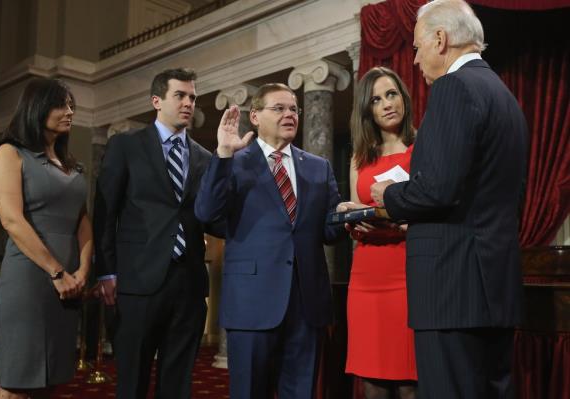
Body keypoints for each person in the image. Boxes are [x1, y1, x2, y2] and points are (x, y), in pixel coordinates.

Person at [369, 1, 528, 398]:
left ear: (440, 39)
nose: (417, 57)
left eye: (418, 45)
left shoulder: (454, 88)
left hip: (452, 288)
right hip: (493, 286)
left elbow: (436, 189)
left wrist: (388, 195)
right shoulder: (503, 94)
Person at [195, 83, 344, 399]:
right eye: (279, 108)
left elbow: (330, 232)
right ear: (255, 116)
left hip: (307, 305)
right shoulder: (234, 162)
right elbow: (206, 212)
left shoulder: (319, 167)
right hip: (252, 303)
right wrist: (222, 153)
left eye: (294, 109)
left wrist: (346, 215)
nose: (289, 114)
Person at [93, 68, 223, 399]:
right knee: (132, 380)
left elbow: (212, 219)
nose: (188, 103)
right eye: (180, 95)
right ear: (157, 101)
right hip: (137, 281)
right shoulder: (126, 146)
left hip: (189, 283)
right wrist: (106, 270)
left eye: (192, 97)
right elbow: (106, 213)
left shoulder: (206, 158)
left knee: (178, 383)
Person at [0, 78, 91, 399]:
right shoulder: (11, 153)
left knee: (49, 382)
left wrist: (82, 272)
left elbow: (83, 221)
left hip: (70, 283)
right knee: (17, 384)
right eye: (61, 105)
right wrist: (57, 273)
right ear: (38, 108)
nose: (70, 111)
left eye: (72, 105)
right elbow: (11, 220)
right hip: (30, 279)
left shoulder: (73, 165)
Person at [341, 66, 417, 399]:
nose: (387, 104)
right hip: (366, 274)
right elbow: (360, 210)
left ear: (403, 98)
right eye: (376, 99)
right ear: (367, 109)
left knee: (408, 380)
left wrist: (398, 221)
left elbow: (430, 211)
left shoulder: (422, 148)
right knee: (371, 379)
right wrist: (348, 213)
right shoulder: (360, 156)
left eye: (392, 94)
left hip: (408, 272)